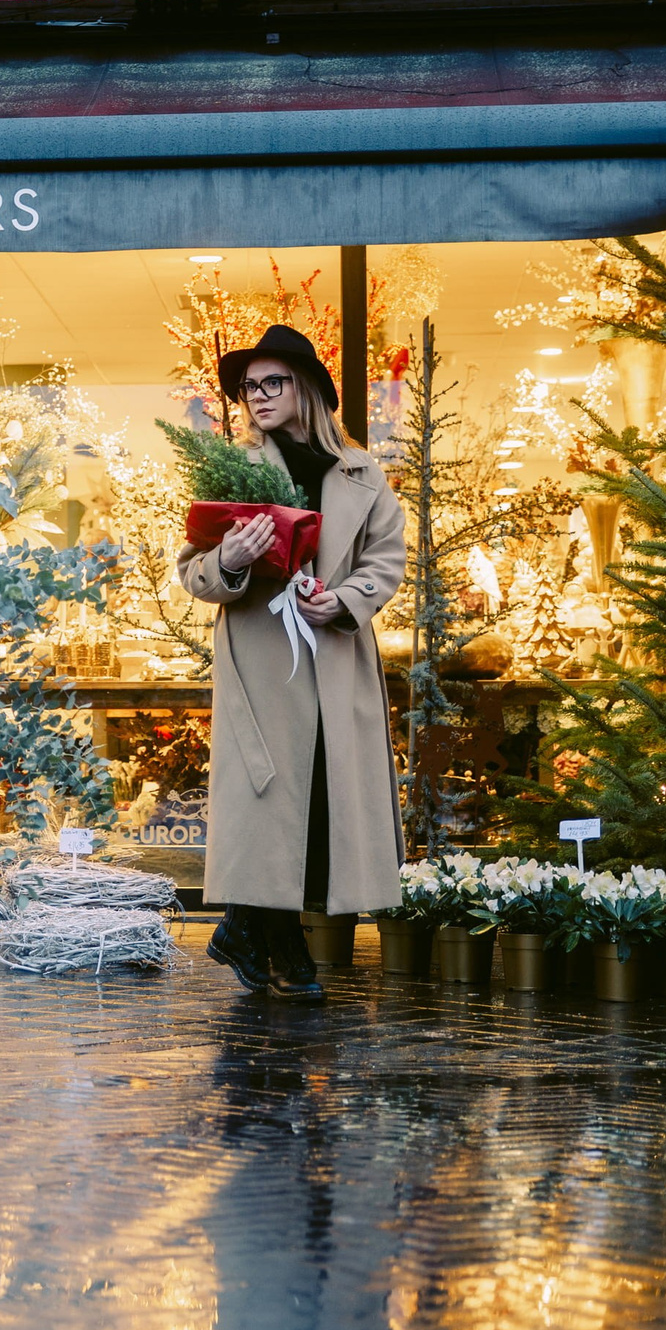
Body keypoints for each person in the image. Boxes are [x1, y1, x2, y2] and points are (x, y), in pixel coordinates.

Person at [175, 324, 407, 1003]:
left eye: (272, 382)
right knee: (272, 798)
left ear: (306, 389)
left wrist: (342, 599)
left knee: (323, 801)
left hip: (333, 653)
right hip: (265, 659)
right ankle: (280, 946)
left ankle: (253, 935)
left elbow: (387, 560)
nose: (257, 397)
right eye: (249, 387)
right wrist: (233, 560)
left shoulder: (362, 473)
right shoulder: (233, 467)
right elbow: (193, 572)